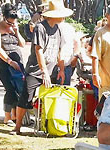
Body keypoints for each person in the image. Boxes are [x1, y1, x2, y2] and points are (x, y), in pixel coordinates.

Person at [12, 0, 72, 134]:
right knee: (26, 98)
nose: (63, 17)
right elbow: (38, 50)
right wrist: (44, 71)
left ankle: (51, 125)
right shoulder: (40, 27)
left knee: (55, 97)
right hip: (35, 70)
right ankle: (17, 127)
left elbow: (59, 50)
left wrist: (61, 69)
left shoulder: (58, 28)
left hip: (51, 69)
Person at [0, 3, 26, 125]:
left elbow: (22, 44)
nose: (10, 25)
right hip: (3, 61)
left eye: (13, 22)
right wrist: (9, 61)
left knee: (18, 88)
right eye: (8, 23)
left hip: (17, 59)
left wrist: (16, 31)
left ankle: (15, 115)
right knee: (9, 88)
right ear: (3, 17)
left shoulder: (14, 27)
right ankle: (7, 116)